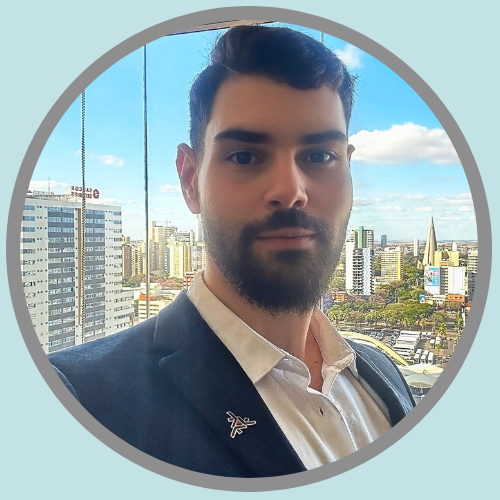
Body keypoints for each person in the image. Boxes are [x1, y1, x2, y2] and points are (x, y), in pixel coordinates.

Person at [49, 25, 414, 478]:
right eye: (244, 156)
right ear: (190, 181)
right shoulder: (78, 401)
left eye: (320, 156)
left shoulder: (381, 372)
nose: (290, 191)